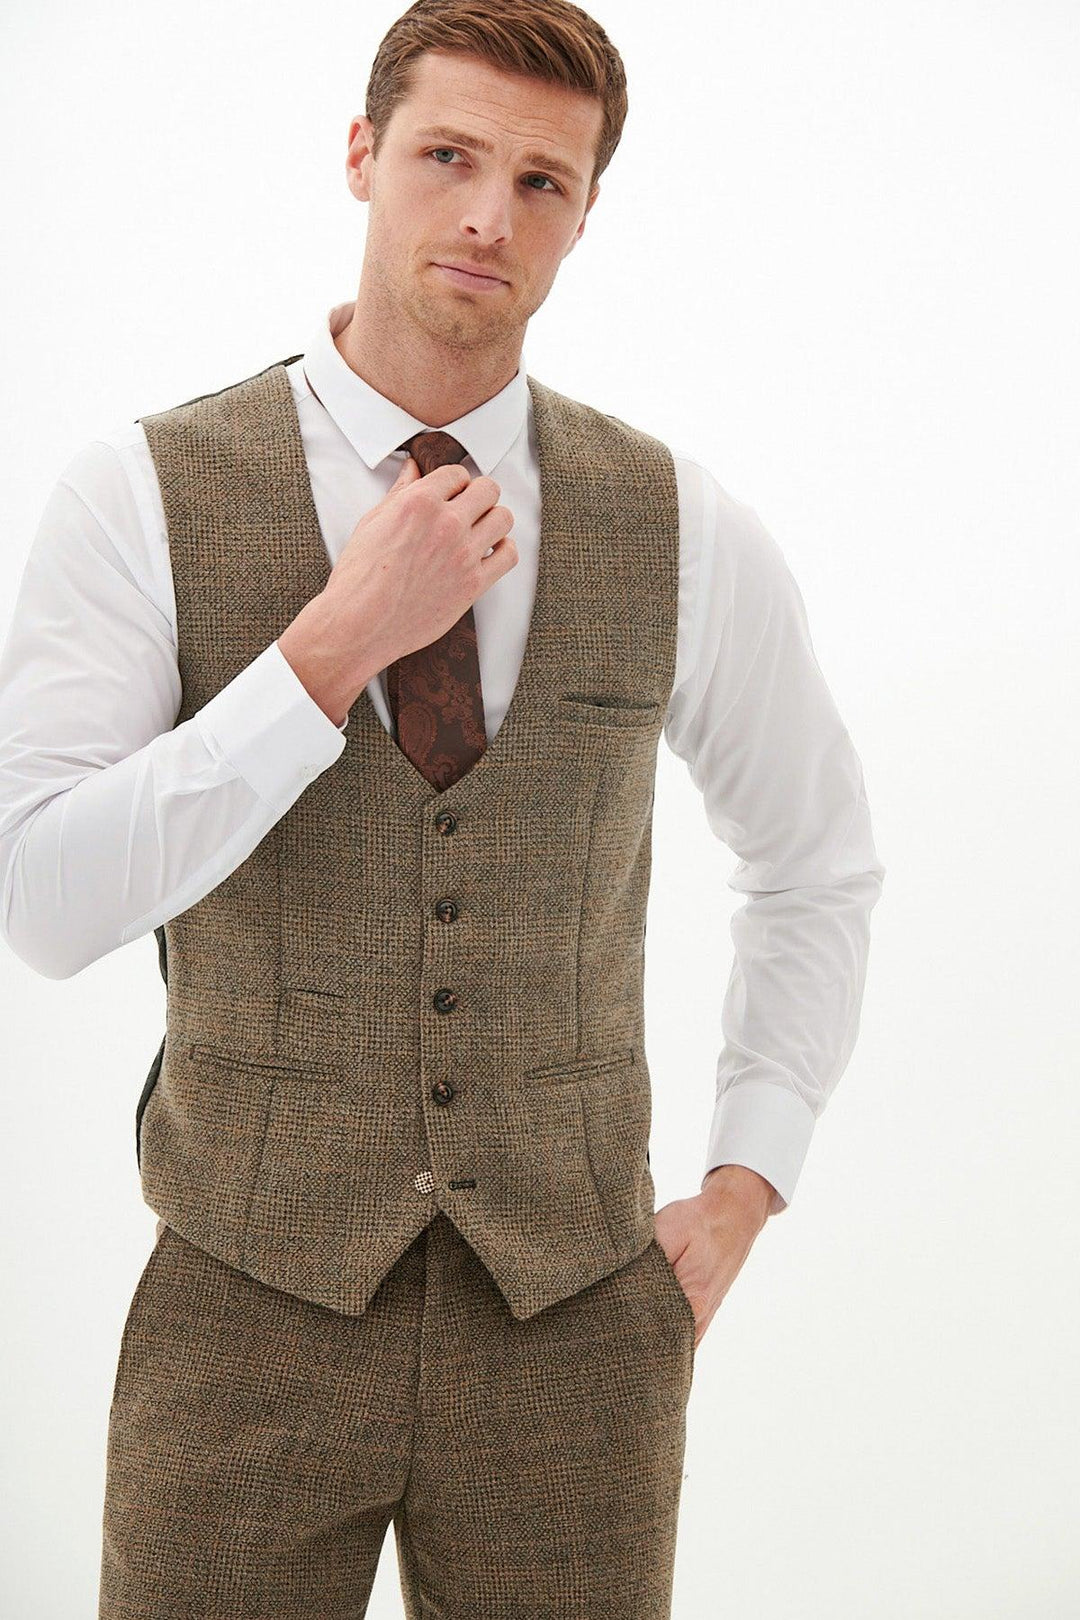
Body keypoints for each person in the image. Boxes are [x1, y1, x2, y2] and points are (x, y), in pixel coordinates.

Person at [0, 1, 885, 1614]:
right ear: (362, 156)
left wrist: (748, 1181)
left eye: (543, 182)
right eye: (449, 157)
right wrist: (329, 649)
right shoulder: (137, 491)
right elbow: (45, 906)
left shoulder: (678, 521)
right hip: (240, 1316)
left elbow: (816, 860)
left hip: (576, 1330)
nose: (488, 212)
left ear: (588, 213)